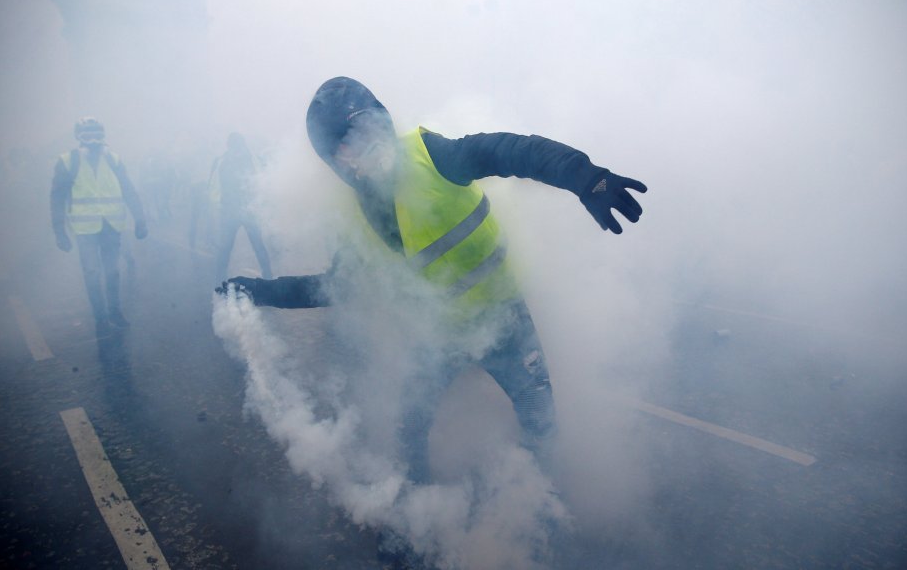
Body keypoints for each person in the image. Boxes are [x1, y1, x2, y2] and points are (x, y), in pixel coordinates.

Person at [220, 76, 646, 485]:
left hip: (505, 320)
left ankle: (546, 510)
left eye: (366, 129)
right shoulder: (357, 219)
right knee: (409, 427)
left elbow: (513, 151)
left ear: (383, 120)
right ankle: (417, 523)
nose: (362, 149)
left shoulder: (432, 155)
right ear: (336, 163)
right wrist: (259, 292)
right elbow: (334, 288)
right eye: (344, 147)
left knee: (540, 418)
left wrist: (585, 177)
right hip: (439, 336)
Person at [50, 117, 148, 336]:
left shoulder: (113, 159)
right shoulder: (68, 161)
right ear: (79, 137)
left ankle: (115, 312)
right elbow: (57, 198)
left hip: (112, 225)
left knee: (112, 272)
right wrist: (59, 231)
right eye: (87, 135)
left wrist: (140, 219)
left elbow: (128, 189)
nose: (93, 141)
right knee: (92, 273)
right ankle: (100, 317)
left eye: (97, 135)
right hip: (85, 230)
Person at [211, 132, 273, 283]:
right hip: (231, 211)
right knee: (226, 247)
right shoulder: (221, 162)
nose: (236, 150)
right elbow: (214, 187)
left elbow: (264, 183)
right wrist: (221, 205)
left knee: (256, 245)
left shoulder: (254, 160)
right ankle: (219, 280)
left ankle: (268, 277)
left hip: (247, 210)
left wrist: (260, 204)